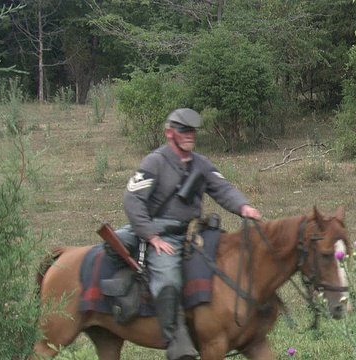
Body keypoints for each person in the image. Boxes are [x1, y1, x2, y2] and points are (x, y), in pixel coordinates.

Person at [106, 108, 262, 360]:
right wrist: (151, 236)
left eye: (192, 131)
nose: (190, 135)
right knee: (167, 280)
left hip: (192, 233)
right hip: (161, 235)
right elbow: (132, 200)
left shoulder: (201, 163)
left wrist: (243, 206)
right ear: (170, 133)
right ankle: (176, 341)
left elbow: (222, 188)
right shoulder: (154, 162)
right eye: (184, 130)